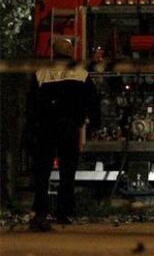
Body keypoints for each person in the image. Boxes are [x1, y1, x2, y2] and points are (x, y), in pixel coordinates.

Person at [26, 37, 100, 231]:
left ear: (53, 52)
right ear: (70, 53)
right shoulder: (80, 74)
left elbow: (31, 105)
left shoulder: (41, 73)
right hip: (69, 128)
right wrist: (94, 122)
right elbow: (93, 100)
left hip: (46, 129)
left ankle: (41, 211)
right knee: (68, 172)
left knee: (43, 172)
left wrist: (32, 127)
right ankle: (64, 212)